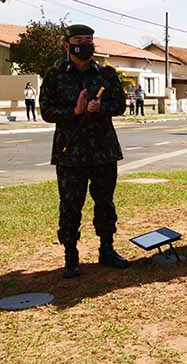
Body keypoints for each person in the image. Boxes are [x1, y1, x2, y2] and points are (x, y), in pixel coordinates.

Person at [39, 24, 130, 278]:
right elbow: (46, 111)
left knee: (105, 202)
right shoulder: (55, 76)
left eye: (89, 40)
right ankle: (71, 255)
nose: (85, 44)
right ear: (67, 45)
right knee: (70, 205)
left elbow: (121, 105)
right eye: (79, 40)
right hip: (70, 153)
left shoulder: (107, 74)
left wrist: (100, 107)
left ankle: (107, 249)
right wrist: (75, 111)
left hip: (103, 150)